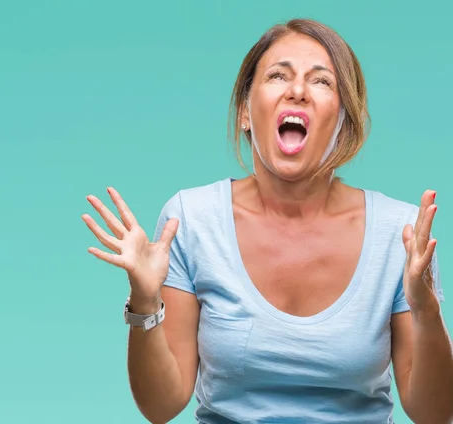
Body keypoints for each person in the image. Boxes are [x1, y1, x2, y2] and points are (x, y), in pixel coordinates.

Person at [82, 19, 453, 424]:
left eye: (322, 82)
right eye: (278, 75)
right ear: (245, 111)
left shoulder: (399, 235)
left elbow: (434, 415)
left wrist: (426, 312)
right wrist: (145, 300)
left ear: (344, 124)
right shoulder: (191, 220)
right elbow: (161, 406)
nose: (297, 91)